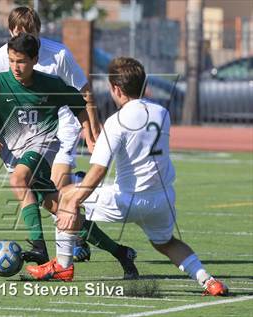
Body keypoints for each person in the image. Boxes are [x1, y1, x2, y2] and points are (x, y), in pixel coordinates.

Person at [26, 57, 229, 297]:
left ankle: (63, 266)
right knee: (166, 243)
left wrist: (73, 201)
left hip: (127, 200)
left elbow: (98, 172)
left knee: (64, 198)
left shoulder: (116, 122)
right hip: (161, 199)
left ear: (117, 89)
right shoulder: (162, 113)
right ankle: (208, 281)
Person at [0, 35, 139, 279]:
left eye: (21, 61)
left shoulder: (49, 83)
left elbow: (79, 104)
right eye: (11, 61)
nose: (15, 67)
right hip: (15, 153)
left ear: (35, 60)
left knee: (18, 180)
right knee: (64, 212)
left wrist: (89, 135)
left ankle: (39, 248)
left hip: (43, 144)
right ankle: (121, 252)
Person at [0, 6, 101, 262]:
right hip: (30, 129)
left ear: (38, 32)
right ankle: (81, 237)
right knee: (46, 195)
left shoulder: (59, 54)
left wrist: (91, 130)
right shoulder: (4, 53)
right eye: (17, 33)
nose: (23, 40)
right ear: (10, 32)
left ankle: (66, 253)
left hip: (63, 123)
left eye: (28, 33)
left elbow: (83, 90)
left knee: (55, 184)